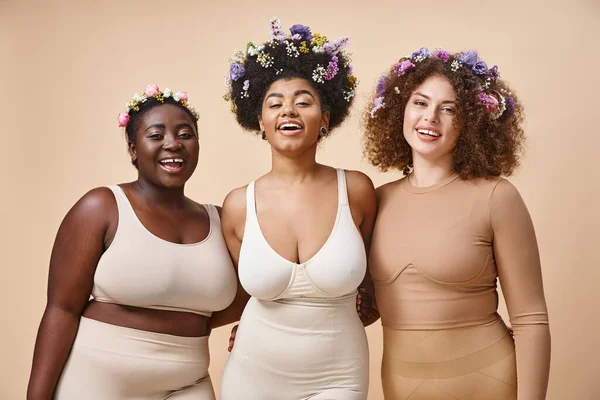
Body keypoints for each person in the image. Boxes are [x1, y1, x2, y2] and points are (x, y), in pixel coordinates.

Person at [26, 85, 237, 400]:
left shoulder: (223, 220)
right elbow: (62, 309)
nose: (173, 144)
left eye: (185, 134)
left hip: (187, 382)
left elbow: (254, 291)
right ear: (133, 149)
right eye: (156, 135)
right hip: (98, 379)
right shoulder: (101, 207)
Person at [364, 48, 551, 400]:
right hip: (402, 387)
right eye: (420, 103)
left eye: (449, 109)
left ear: (472, 123)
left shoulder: (497, 196)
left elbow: (531, 320)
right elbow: (364, 306)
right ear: (399, 110)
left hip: (491, 383)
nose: (431, 117)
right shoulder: (375, 200)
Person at [215, 18, 378, 400]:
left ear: (324, 120)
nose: (289, 111)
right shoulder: (239, 205)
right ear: (261, 122)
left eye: (303, 102)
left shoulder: (355, 190)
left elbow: (375, 286)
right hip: (251, 375)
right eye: (275, 104)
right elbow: (243, 294)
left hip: (338, 375)